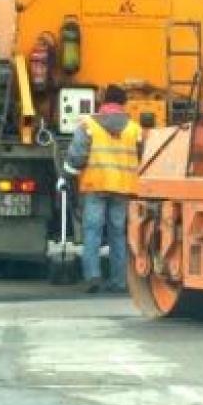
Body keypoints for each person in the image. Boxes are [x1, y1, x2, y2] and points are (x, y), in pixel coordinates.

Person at [58, 85, 142, 294]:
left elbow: (77, 157)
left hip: (95, 186)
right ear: (123, 104)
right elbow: (143, 158)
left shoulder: (88, 126)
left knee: (92, 232)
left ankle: (93, 276)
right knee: (118, 235)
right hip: (122, 188)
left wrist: (65, 177)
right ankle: (119, 281)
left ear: (102, 103)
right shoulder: (135, 129)